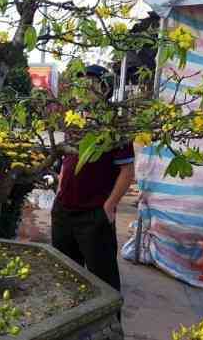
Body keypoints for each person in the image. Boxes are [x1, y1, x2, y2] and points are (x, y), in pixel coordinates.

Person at [51, 65, 135, 294]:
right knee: (65, 274)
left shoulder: (115, 125)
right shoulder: (75, 120)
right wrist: (59, 190)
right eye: (81, 85)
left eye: (90, 84)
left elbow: (127, 171)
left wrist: (108, 206)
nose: (83, 90)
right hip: (64, 210)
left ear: (105, 88)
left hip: (94, 214)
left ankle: (110, 328)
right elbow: (66, 162)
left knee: (103, 280)